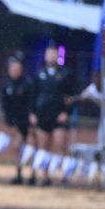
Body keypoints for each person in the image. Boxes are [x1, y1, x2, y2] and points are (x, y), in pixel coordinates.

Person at [30, 45, 76, 186]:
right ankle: (46, 175)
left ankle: (64, 175)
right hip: (42, 115)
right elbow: (33, 96)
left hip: (59, 115)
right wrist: (32, 113)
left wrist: (67, 112)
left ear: (58, 56)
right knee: (43, 146)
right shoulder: (39, 74)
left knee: (60, 145)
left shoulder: (66, 74)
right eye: (49, 54)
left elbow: (71, 96)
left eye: (54, 54)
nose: (51, 57)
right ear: (45, 56)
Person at [2, 55, 35, 185]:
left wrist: (32, 116)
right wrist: (10, 122)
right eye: (13, 68)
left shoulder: (28, 84)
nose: (15, 71)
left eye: (17, 68)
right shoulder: (7, 86)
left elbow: (32, 102)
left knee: (31, 147)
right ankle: (19, 173)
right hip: (16, 123)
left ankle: (33, 174)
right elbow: (5, 106)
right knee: (17, 147)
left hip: (29, 122)